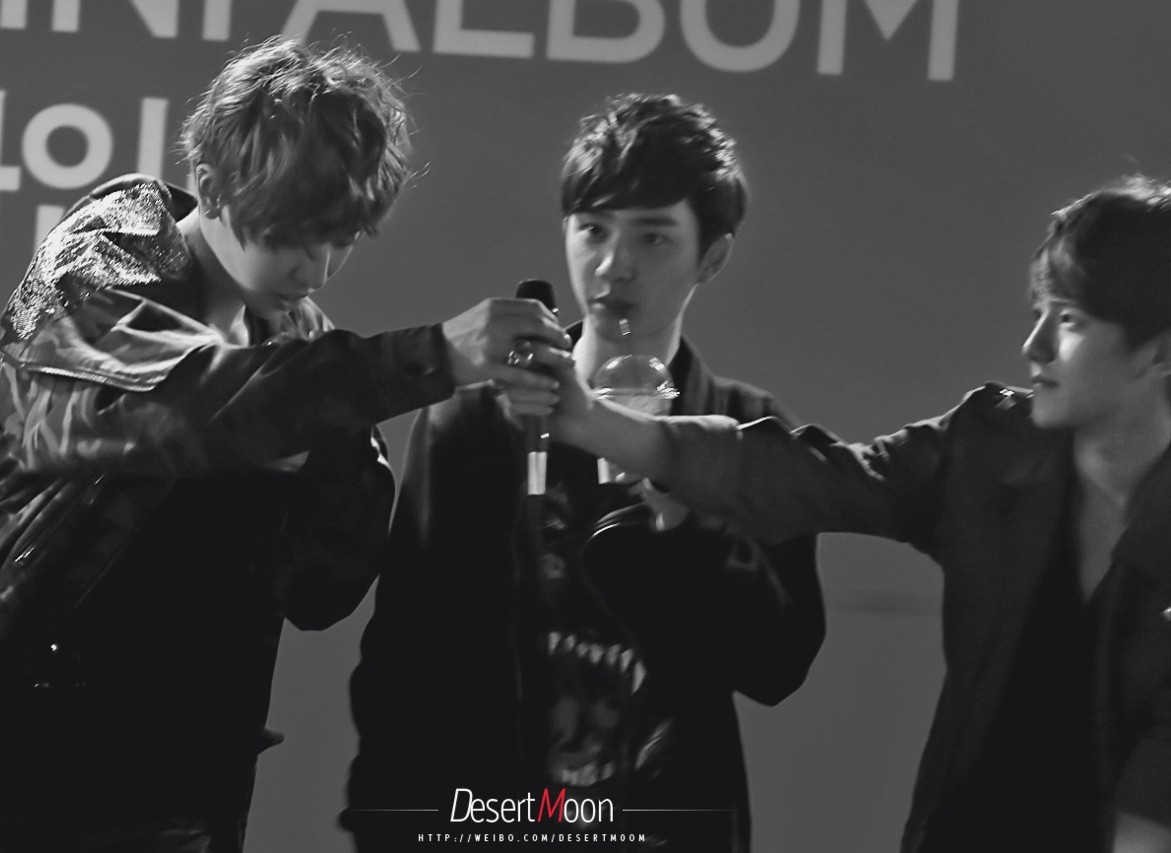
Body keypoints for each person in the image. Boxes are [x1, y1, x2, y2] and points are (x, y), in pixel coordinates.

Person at [0, 36, 569, 853]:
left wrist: (339, 442)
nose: (318, 268)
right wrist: (430, 359)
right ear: (212, 184)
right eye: (296, 234)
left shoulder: (306, 353)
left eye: (341, 238)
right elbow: (170, 408)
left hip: (180, 797)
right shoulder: (105, 255)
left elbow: (325, 587)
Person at [542, 175, 1171, 852]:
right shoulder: (989, 447)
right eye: (1040, 312)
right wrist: (594, 422)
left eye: (1071, 320)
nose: (1034, 346)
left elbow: (1151, 813)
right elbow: (820, 476)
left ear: (1160, 350)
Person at [344, 93, 825, 851]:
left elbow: (777, 663)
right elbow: (403, 661)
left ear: (713, 256)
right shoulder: (475, 424)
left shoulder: (745, 433)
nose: (612, 265)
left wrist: (685, 512)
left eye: (653, 237)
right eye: (593, 229)